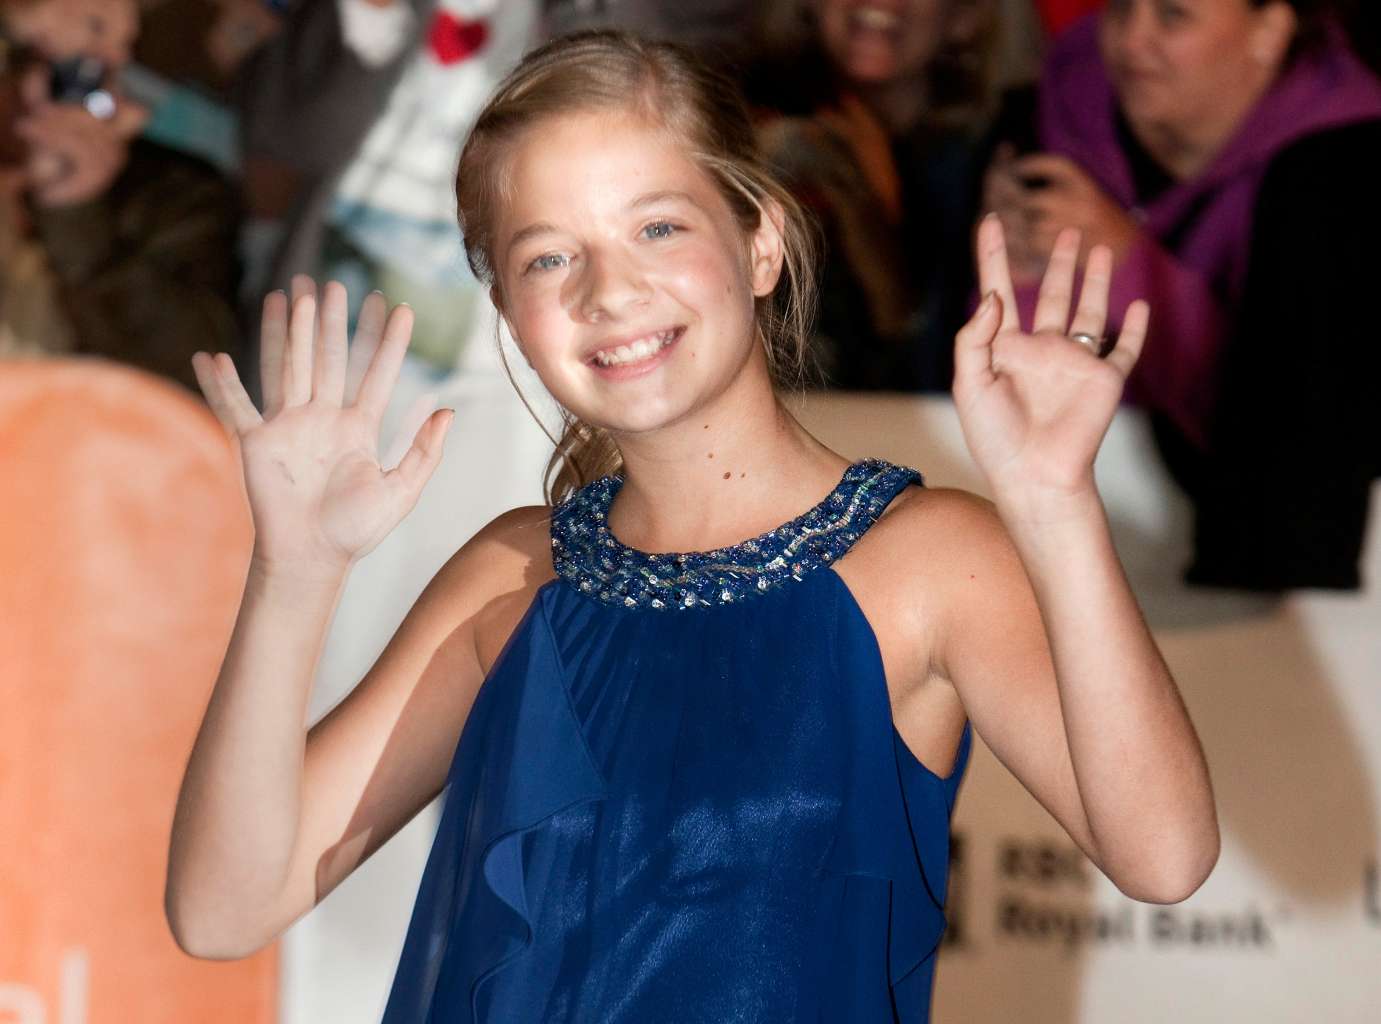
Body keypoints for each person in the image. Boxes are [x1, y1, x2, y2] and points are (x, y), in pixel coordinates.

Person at [165, 32, 1218, 1021]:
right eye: (547, 258)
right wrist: (292, 572)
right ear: (510, 316)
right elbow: (222, 910)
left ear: (759, 245)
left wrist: (1054, 505)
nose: (609, 290)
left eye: (657, 228)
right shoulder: (507, 578)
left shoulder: (927, 561)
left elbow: (1163, 857)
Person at [983, 0, 1381, 590]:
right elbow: (981, 388)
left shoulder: (1345, 172)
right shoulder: (1043, 117)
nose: (1132, 41)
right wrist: (1011, 276)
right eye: (1121, 9)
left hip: (1272, 582)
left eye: (1173, 15)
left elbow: (1296, 440)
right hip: (1047, 540)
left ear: (1270, 31)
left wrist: (1130, 268)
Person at [747, 0, 1031, 391]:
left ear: (964, 15)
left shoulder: (1002, 156)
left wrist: (874, 214)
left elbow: (947, 369)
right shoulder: (746, 128)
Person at [0, 0, 240, 393]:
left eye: (122, 42)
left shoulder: (174, 192)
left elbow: (191, 373)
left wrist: (78, 217)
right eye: (93, 26)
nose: (107, 58)